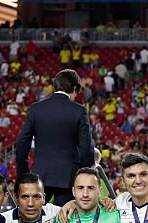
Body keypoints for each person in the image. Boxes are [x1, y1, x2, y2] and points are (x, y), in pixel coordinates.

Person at [15, 69, 96, 204]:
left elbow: (22, 143)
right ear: (75, 88)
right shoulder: (79, 111)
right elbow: (86, 148)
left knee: (36, 222)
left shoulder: (36, 109)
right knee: (65, 222)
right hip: (69, 178)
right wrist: (86, 174)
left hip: (40, 177)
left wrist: (24, 174)